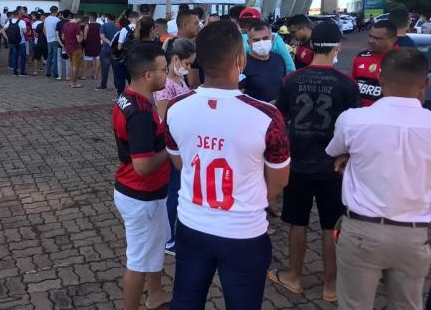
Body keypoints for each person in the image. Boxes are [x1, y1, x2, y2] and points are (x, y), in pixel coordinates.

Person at [165, 20, 290, 309]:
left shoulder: (176, 108)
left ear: (200, 61)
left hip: (191, 224)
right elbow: (279, 179)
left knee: (185, 300)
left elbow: (179, 163)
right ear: (241, 59)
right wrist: (251, 198)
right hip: (243, 231)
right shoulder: (267, 116)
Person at [326, 48, 431, 309]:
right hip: (414, 235)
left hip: (362, 231)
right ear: (425, 83)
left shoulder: (353, 120)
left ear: (380, 79)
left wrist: (350, 157)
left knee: (354, 304)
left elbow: (335, 152)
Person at [270, 21, 360, 302]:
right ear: (338, 47)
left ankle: (294, 276)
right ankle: (330, 286)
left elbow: (279, 116)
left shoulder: (291, 80)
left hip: (298, 163)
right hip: (333, 166)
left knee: (297, 223)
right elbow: (353, 127)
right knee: (330, 225)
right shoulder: (347, 84)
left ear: (310, 45)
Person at [112, 42, 171, 310]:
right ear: (148, 75)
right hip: (141, 195)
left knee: (154, 246)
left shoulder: (128, 96)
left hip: (142, 193)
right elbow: (144, 166)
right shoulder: (141, 113)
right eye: (164, 70)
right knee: (138, 259)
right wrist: (171, 149)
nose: (167, 74)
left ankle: (155, 293)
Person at [153, 37, 196, 256]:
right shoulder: (165, 87)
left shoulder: (179, 81)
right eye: (187, 64)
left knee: (178, 191)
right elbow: (163, 119)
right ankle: (168, 238)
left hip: (183, 143)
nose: (188, 69)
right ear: (176, 59)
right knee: (172, 193)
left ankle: (171, 233)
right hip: (173, 145)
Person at [352, 20, 397, 107]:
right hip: (361, 115)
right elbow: (353, 87)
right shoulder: (361, 56)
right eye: (370, 36)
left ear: (393, 40)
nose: (370, 41)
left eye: (377, 38)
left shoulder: (403, 60)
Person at [239, 8, 295, 74]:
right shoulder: (241, 38)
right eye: (245, 22)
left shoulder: (275, 38)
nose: (249, 25)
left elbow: (290, 68)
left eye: (252, 21)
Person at [241, 21, 286, 102]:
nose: (261, 43)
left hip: (276, 112)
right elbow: (239, 96)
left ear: (272, 39)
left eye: (265, 38)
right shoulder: (243, 64)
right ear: (249, 42)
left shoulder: (279, 59)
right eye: (256, 40)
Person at [175, 10, 201, 88]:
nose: (199, 26)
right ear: (184, 25)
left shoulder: (168, 44)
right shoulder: (188, 49)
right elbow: (193, 83)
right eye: (196, 23)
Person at [2, 10, 27, 76]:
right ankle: (22, 72)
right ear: (18, 14)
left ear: (13, 15)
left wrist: (7, 38)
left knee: (14, 56)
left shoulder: (9, 21)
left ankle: (15, 72)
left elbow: (2, 30)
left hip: (12, 42)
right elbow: (25, 31)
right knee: (22, 57)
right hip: (21, 42)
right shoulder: (22, 21)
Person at [63, 13, 84, 88]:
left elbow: (63, 37)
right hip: (76, 48)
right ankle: (73, 83)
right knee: (75, 66)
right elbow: (79, 40)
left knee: (72, 65)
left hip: (68, 47)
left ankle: (71, 82)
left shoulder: (65, 24)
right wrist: (82, 35)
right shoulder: (76, 26)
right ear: (79, 19)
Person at [112, 16, 132, 96]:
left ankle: (120, 96)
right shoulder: (136, 31)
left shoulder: (120, 33)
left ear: (120, 25)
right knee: (131, 79)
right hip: (132, 60)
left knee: (120, 79)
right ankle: (133, 95)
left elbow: (113, 45)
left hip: (121, 59)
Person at [97, 13, 117, 90]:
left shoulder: (104, 26)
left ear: (107, 18)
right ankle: (117, 85)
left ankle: (103, 85)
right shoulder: (118, 26)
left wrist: (109, 42)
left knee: (104, 69)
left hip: (105, 49)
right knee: (116, 69)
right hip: (116, 50)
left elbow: (102, 37)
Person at [83, 12, 102, 80]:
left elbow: (85, 37)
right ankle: (96, 75)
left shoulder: (87, 26)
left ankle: (85, 75)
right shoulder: (100, 25)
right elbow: (101, 36)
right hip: (98, 45)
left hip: (89, 45)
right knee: (97, 59)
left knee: (87, 60)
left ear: (91, 18)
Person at [44, 5, 60, 78]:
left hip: (48, 40)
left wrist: (47, 36)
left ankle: (48, 72)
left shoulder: (46, 19)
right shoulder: (57, 20)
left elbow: (44, 29)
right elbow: (58, 31)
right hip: (56, 40)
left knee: (49, 56)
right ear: (56, 11)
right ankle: (55, 73)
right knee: (55, 56)